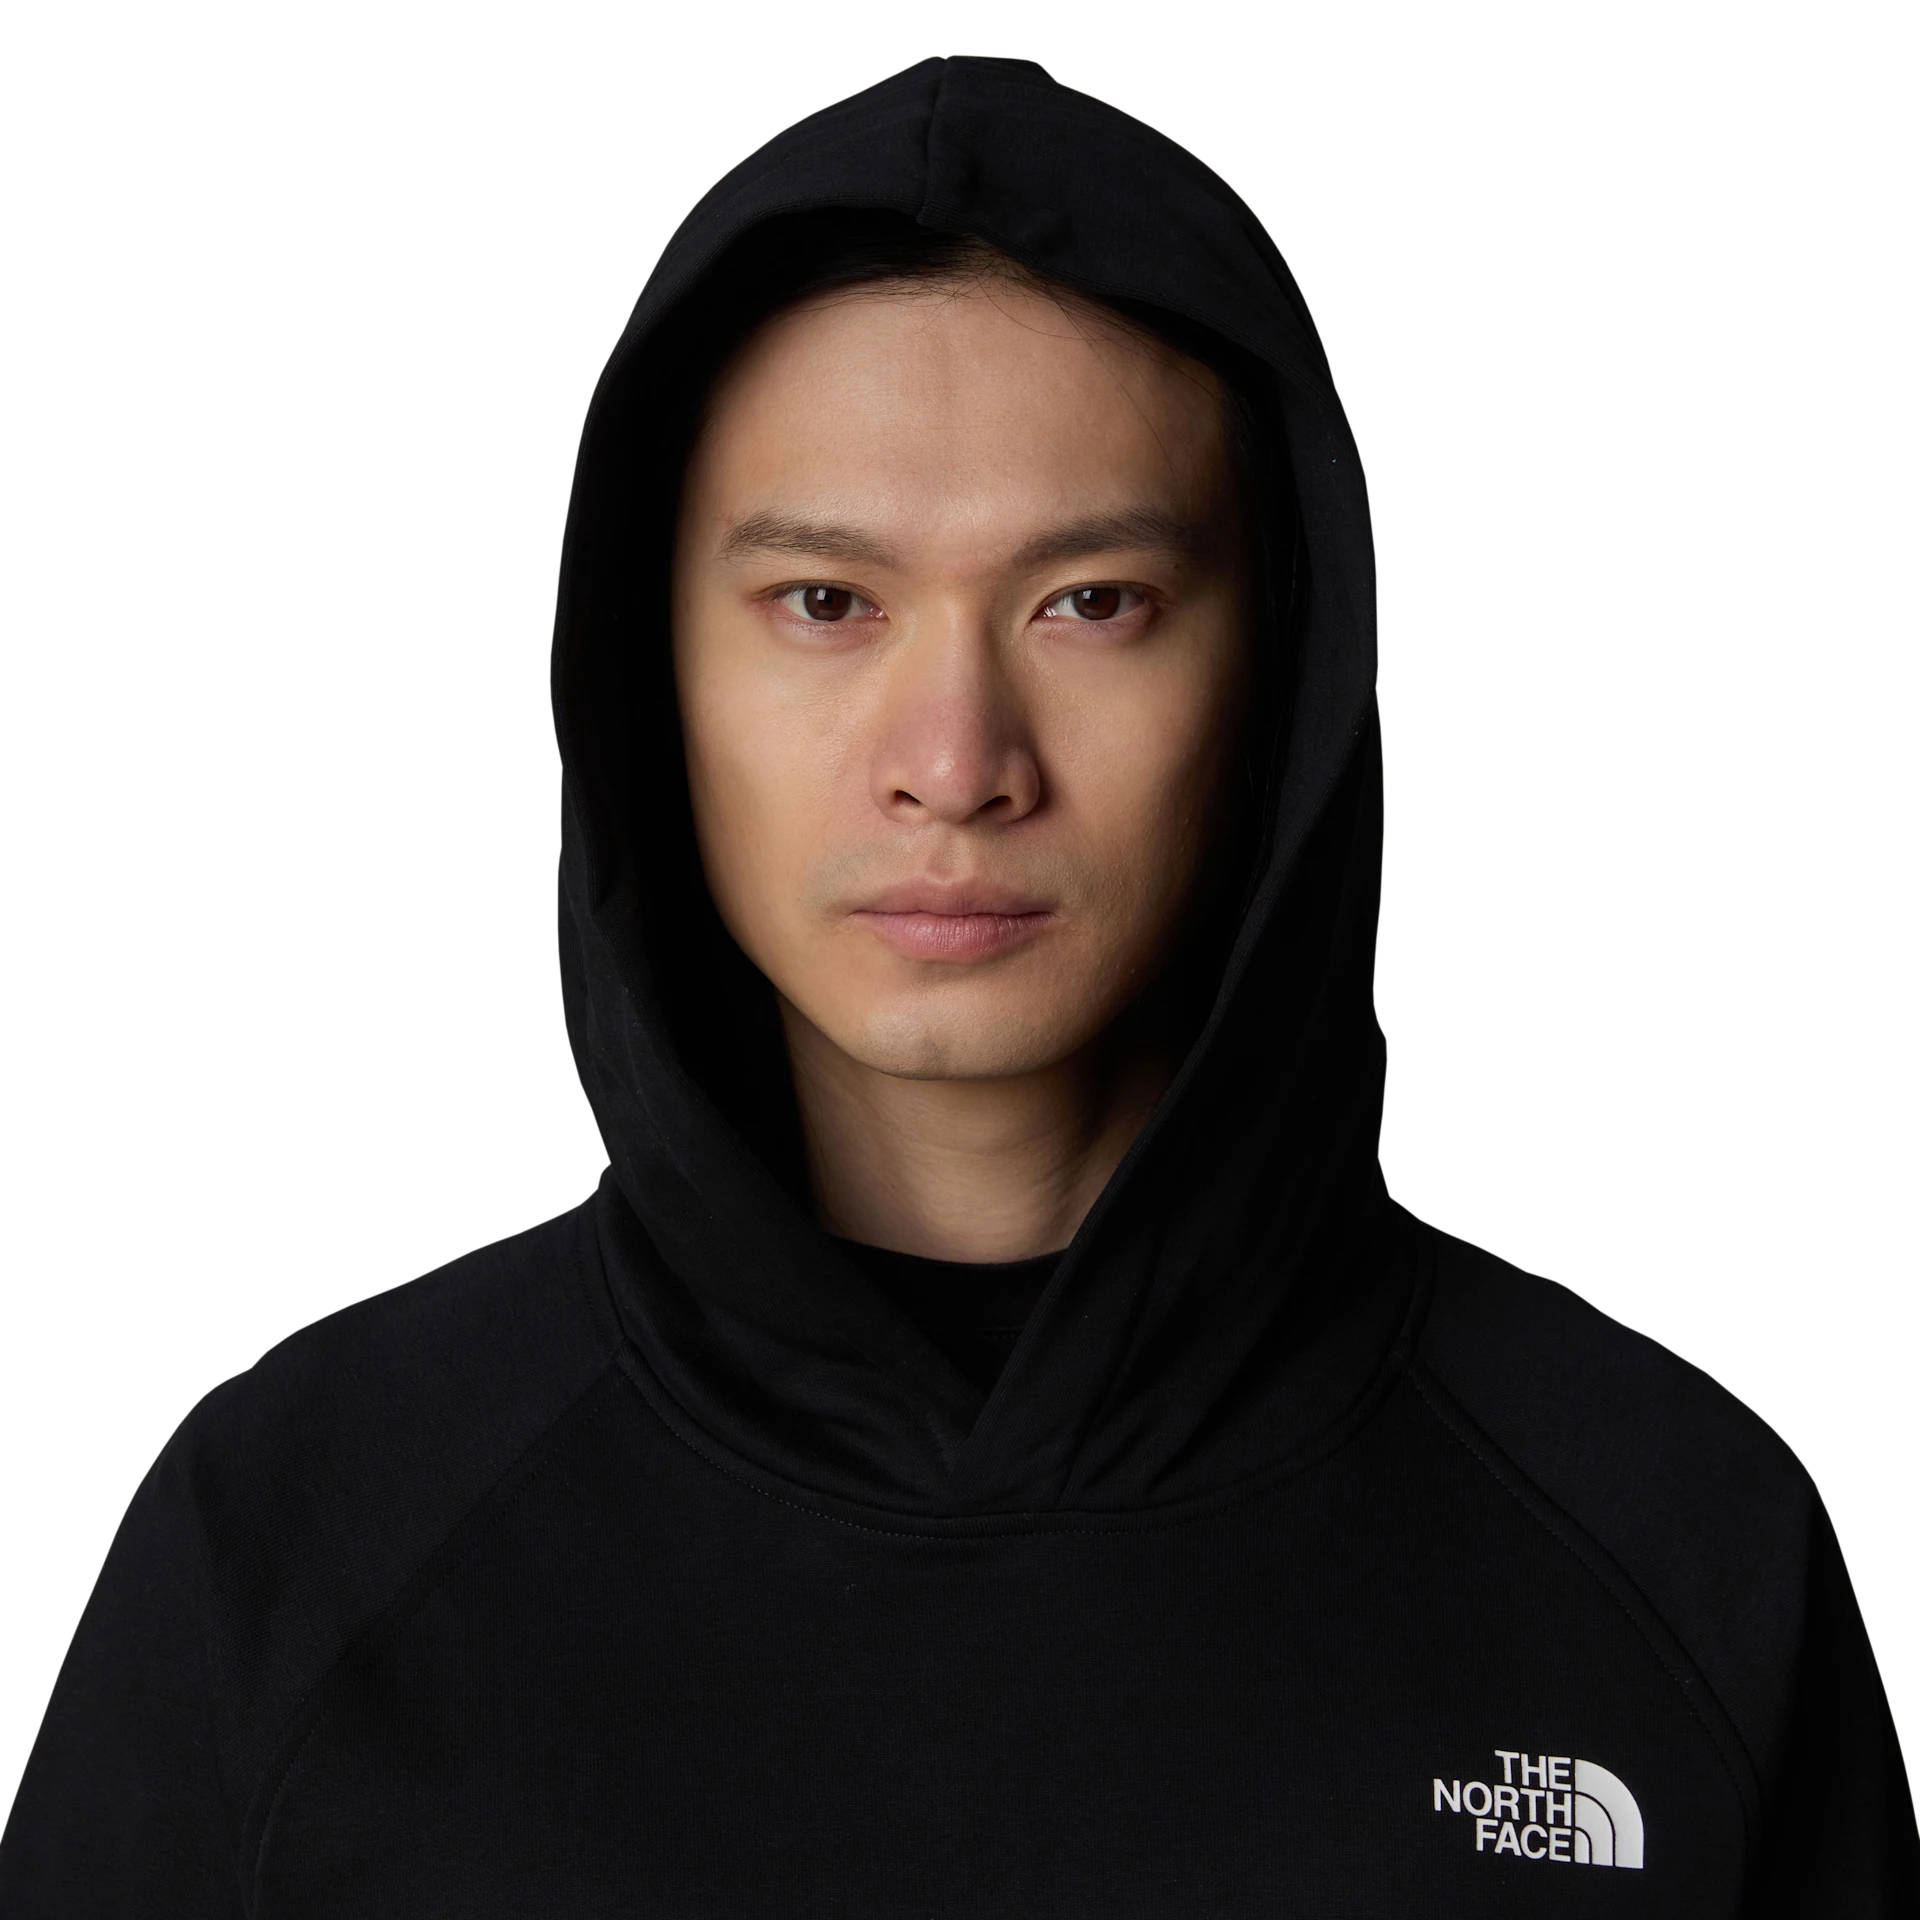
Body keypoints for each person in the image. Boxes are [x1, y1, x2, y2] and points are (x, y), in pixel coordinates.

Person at [2, 50, 1912, 1917]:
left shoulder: (1676, 1552)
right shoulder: (286, 1557)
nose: (956, 760)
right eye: (826, 603)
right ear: (647, 679)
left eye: (1093, 602)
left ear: (1282, 676)